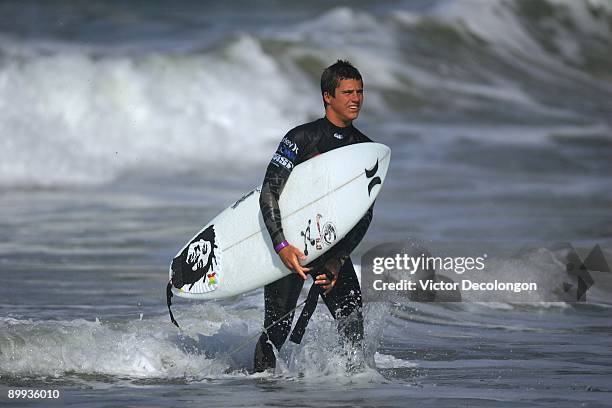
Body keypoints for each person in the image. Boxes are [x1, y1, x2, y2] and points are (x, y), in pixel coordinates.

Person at [254, 60, 374, 372]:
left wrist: (338, 259)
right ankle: (261, 389)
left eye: (360, 92)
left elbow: (364, 214)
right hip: (292, 248)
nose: (356, 98)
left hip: (334, 252)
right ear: (327, 96)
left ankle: (351, 392)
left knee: (353, 330)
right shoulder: (301, 138)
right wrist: (282, 247)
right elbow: (269, 191)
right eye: (347, 92)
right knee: (276, 332)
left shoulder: (365, 149)